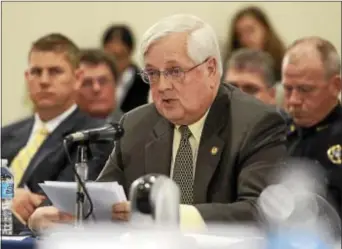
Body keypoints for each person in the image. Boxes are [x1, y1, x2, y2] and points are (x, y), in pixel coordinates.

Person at [28, 14, 287, 231]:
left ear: (210, 69)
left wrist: (170, 216)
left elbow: (260, 211)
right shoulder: (136, 124)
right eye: (152, 73)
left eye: (175, 71)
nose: (162, 86)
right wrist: (59, 217)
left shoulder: (255, 122)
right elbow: (103, 201)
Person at [1, 33, 113, 230]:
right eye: (36, 71)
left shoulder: (94, 136)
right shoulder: (5, 134)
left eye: (55, 71)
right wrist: (8, 197)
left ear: (78, 78)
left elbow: (57, 210)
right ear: (27, 78)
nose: (44, 80)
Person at [282, 36, 342, 217]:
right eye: (287, 89)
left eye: (305, 89)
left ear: (335, 86)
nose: (293, 100)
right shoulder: (273, 132)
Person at [224, 6, 286, 82]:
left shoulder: (284, 66)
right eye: (239, 35)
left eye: (250, 30)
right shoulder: (230, 69)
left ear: (266, 31)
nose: (244, 39)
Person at [102, 24, 150, 113]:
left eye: (119, 57)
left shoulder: (144, 83)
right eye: (111, 58)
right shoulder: (97, 83)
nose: (115, 64)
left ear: (130, 51)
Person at [76, 49, 123, 122]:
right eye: (87, 83)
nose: (96, 88)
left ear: (115, 85)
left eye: (103, 81)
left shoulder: (136, 128)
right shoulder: (59, 130)